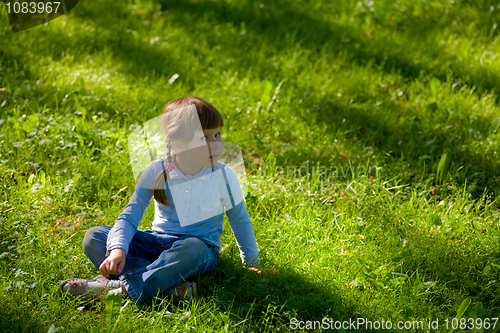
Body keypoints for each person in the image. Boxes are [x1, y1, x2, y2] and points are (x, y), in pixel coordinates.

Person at [60, 96, 273, 303]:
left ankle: (116, 289)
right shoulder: (157, 171)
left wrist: (251, 263)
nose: (215, 144)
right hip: (156, 242)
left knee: (191, 248)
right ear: (178, 144)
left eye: (217, 135)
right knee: (94, 237)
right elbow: (130, 216)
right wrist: (119, 248)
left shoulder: (223, 175)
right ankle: (168, 288)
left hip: (198, 250)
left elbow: (240, 219)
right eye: (203, 138)